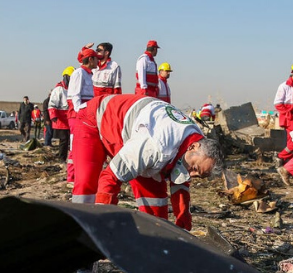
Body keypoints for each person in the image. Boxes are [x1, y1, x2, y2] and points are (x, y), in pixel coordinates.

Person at [71, 94, 224, 231]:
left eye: (199, 175)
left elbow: (181, 182)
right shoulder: (155, 146)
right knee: (87, 184)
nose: (191, 174)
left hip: (131, 130)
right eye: (194, 168)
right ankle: (78, 231)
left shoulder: (197, 140)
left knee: (155, 205)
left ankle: (155, 242)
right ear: (192, 147)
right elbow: (110, 178)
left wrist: (183, 221)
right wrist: (103, 224)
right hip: (94, 119)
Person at [67, 46, 98, 183]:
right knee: (75, 147)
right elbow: (75, 95)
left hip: (85, 114)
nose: (98, 61)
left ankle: (78, 176)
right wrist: (80, 112)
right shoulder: (79, 73)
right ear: (90, 59)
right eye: (96, 58)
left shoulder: (89, 74)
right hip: (77, 116)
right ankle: (71, 177)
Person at [49, 67, 74, 156]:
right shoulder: (59, 89)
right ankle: (61, 158)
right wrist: (53, 116)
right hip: (61, 119)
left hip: (70, 118)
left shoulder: (72, 90)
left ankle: (68, 157)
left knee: (70, 139)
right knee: (64, 139)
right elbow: (52, 104)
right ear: (66, 77)